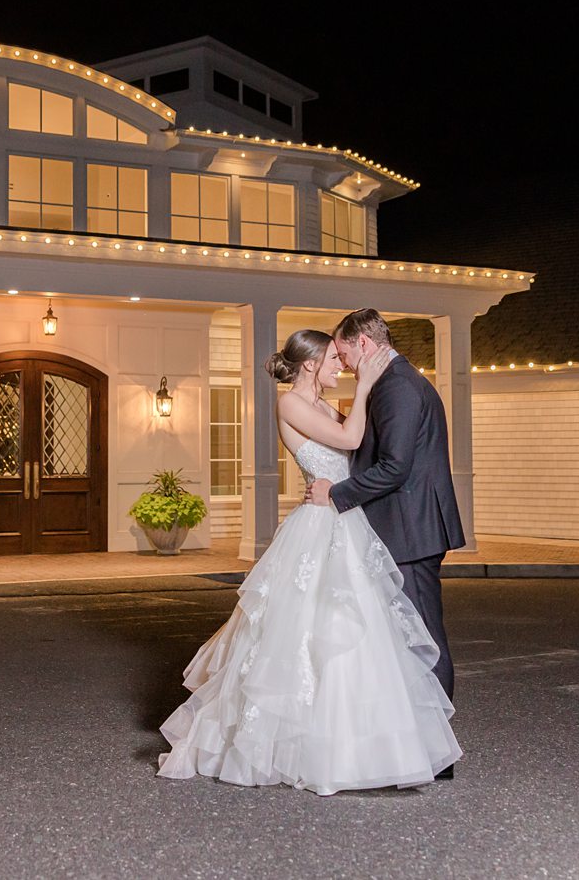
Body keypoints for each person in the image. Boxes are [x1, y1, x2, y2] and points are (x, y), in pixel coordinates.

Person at [156, 329, 461, 795]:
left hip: (345, 519)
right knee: (309, 636)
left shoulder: (322, 403)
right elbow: (351, 436)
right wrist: (364, 388)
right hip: (320, 526)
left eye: (342, 357)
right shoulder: (290, 404)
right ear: (310, 363)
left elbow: (360, 451)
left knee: (360, 636)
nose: (340, 365)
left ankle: (373, 747)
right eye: (332, 359)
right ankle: (304, 746)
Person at [307, 310, 466, 758]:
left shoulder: (396, 386)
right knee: (403, 635)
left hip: (411, 529)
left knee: (424, 638)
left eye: (344, 353)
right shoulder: (394, 381)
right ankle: (415, 743)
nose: (344, 363)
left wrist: (336, 494)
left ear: (365, 345)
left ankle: (437, 753)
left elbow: (394, 467)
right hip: (406, 525)